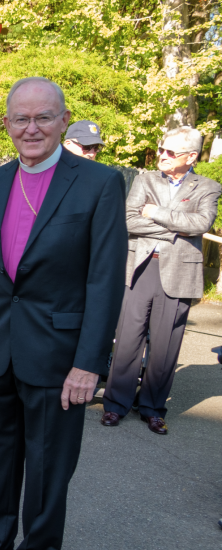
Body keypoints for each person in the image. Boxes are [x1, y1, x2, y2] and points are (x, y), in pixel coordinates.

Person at [0, 77, 127, 550]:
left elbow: (104, 281)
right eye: (21, 118)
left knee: (47, 465)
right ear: (7, 124)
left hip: (60, 353)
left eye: (44, 117)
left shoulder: (98, 183)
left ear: (65, 120)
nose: (32, 127)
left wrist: (90, 362)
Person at [101, 127, 221, 434]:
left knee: (165, 347)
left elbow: (200, 222)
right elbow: (127, 219)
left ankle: (152, 407)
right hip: (139, 267)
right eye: (161, 149)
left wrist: (154, 212)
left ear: (191, 157)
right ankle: (115, 405)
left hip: (179, 272)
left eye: (170, 152)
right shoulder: (145, 179)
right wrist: (173, 229)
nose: (162, 156)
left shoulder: (207, 186)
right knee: (127, 341)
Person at [64, 119, 139, 193]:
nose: (92, 153)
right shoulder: (54, 174)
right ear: (68, 144)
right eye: (86, 147)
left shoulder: (103, 182)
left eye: (96, 148)